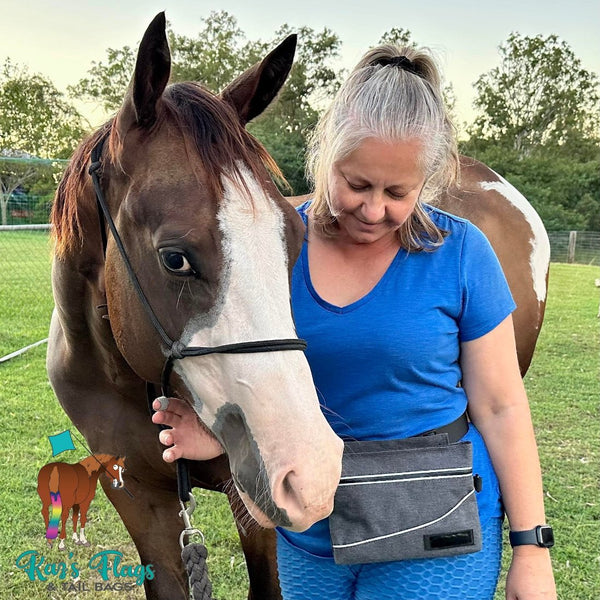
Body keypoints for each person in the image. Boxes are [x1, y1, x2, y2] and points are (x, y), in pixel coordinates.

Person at [152, 43, 556, 600]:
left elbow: (501, 406)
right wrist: (222, 435)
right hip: (314, 530)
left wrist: (532, 549)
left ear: (427, 179)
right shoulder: (272, 246)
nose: (373, 210)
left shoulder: (463, 253)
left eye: (398, 192)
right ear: (326, 157)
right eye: (357, 183)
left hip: (435, 527)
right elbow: (257, 370)